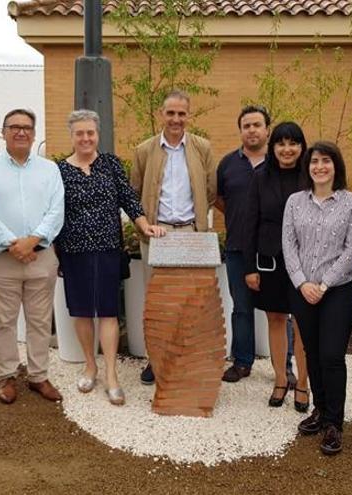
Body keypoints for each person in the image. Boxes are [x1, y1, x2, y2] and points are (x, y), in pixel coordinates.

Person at [54, 109, 165, 406]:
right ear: (72, 136)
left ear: (97, 134)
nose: (86, 138)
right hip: (74, 251)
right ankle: (90, 365)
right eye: (80, 133)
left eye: (90, 132)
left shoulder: (111, 165)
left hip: (107, 250)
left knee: (107, 312)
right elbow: (53, 212)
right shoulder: (59, 170)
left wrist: (144, 225)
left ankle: (111, 374)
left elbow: (129, 199)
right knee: (80, 311)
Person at [0, 108, 65, 404]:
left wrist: (33, 241)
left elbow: (56, 211)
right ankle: (7, 375)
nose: (21, 132)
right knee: (4, 321)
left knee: (40, 321)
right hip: (3, 258)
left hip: (41, 257)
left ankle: (38, 376)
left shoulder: (49, 170)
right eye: (14, 127)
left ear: (34, 133)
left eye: (27, 127)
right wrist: (14, 244)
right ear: (3, 133)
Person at [283, 141, 352, 455]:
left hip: (337, 292)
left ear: (336, 166)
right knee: (313, 352)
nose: (319, 166)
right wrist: (303, 283)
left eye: (326, 161)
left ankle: (334, 422)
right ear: (308, 167)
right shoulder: (295, 202)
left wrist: (324, 285)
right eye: (314, 161)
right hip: (302, 289)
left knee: (331, 355)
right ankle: (320, 410)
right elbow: (288, 246)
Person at [129, 89, 217, 385]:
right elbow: (134, 194)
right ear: (161, 115)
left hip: (192, 234)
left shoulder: (203, 148)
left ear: (188, 115)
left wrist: (196, 223)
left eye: (181, 113)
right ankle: (157, 361)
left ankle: (186, 360)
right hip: (157, 235)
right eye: (171, 113)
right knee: (158, 303)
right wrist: (145, 227)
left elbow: (210, 190)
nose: (176, 119)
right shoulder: (144, 150)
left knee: (189, 302)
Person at [242, 122, 310, 411]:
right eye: (281, 143)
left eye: (293, 143)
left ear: (301, 147)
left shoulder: (311, 176)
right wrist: (249, 267)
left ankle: (304, 383)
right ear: (273, 147)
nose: (287, 149)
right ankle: (281, 379)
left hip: (306, 262)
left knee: (305, 323)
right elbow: (249, 223)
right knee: (276, 320)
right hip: (270, 261)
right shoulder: (260, 177)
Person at [215, 105, 270, 383]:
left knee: (280, 310)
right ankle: (243, 361)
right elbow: (220, 199)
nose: (251, 130)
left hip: (274, 252)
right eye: (246, 125)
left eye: (256, 125)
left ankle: (283, 367)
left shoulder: (280, 164)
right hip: (237, 248)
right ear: (240, 130)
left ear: (267, 130)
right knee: (242, 308)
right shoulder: (227, 164)